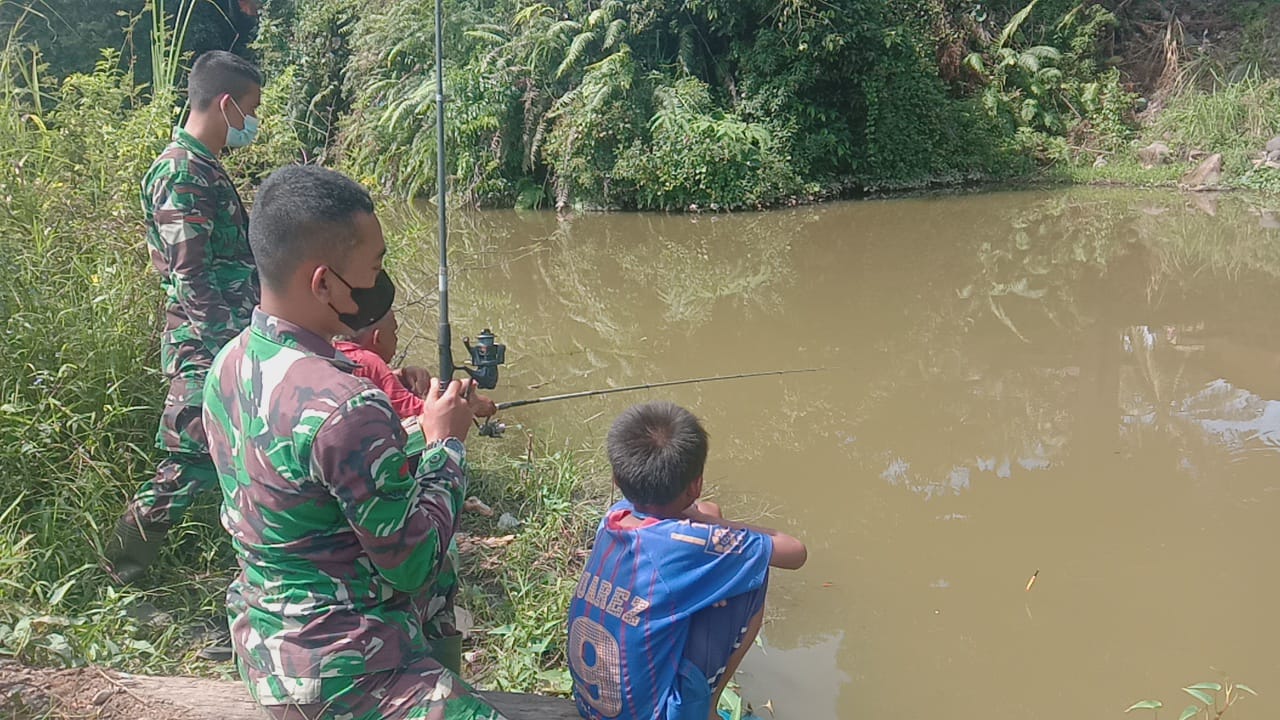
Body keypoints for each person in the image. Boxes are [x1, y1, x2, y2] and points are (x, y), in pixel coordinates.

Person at [202, 164, 504, 720]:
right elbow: (413, 564)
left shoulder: (229, 363)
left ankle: (431, 675)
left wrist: (411, 431)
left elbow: (305, 471)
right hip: (341, 671)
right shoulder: (347, 404)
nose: (379, 283)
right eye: (375, 267)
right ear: (323, 283)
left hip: (264, 644)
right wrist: (446, 446)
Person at [105, 50, 264, 590]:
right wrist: (230, 351)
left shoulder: (203, 167)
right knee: (187, 465)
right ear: (226, 104)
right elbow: (191, 275)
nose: (252, 122)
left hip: (227, 339)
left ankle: (249, 573)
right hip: (205, 347)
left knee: (236, 459)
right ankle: (119, 574)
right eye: (250, 110)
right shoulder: (182, 171)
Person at [568, 402, 808, 720]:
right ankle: (707, 709)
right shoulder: (681, 546)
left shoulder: (614, 517)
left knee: (722, 557)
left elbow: (707, 509)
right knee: (754, 571)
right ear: (696, 484)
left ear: (616, 478)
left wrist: (703, 515)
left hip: (592, 707)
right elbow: (794, 552)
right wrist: (715, 522)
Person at [328, 284, 498, 674]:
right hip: (363, 638)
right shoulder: (370, 363)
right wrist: (469, 411)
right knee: (442, 561)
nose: (396, 337)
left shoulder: (333, 360)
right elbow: (420, 414)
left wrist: (400, 376)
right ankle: (439, 670)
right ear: (375, 337)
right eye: (395, 332)